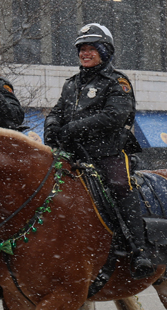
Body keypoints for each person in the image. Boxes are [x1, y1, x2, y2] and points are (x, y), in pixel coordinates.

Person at [44, 23, 152, 279]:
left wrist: (73, 128)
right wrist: (51, 126)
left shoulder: (118, 82)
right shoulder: (71, 84)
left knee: (119, 185)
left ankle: (139, 250)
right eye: (82, 49)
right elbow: (57, 111)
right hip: (74, 154)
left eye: (92, 48)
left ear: (105, 52)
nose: (86, 53)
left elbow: (114, 116)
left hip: (107, 153)